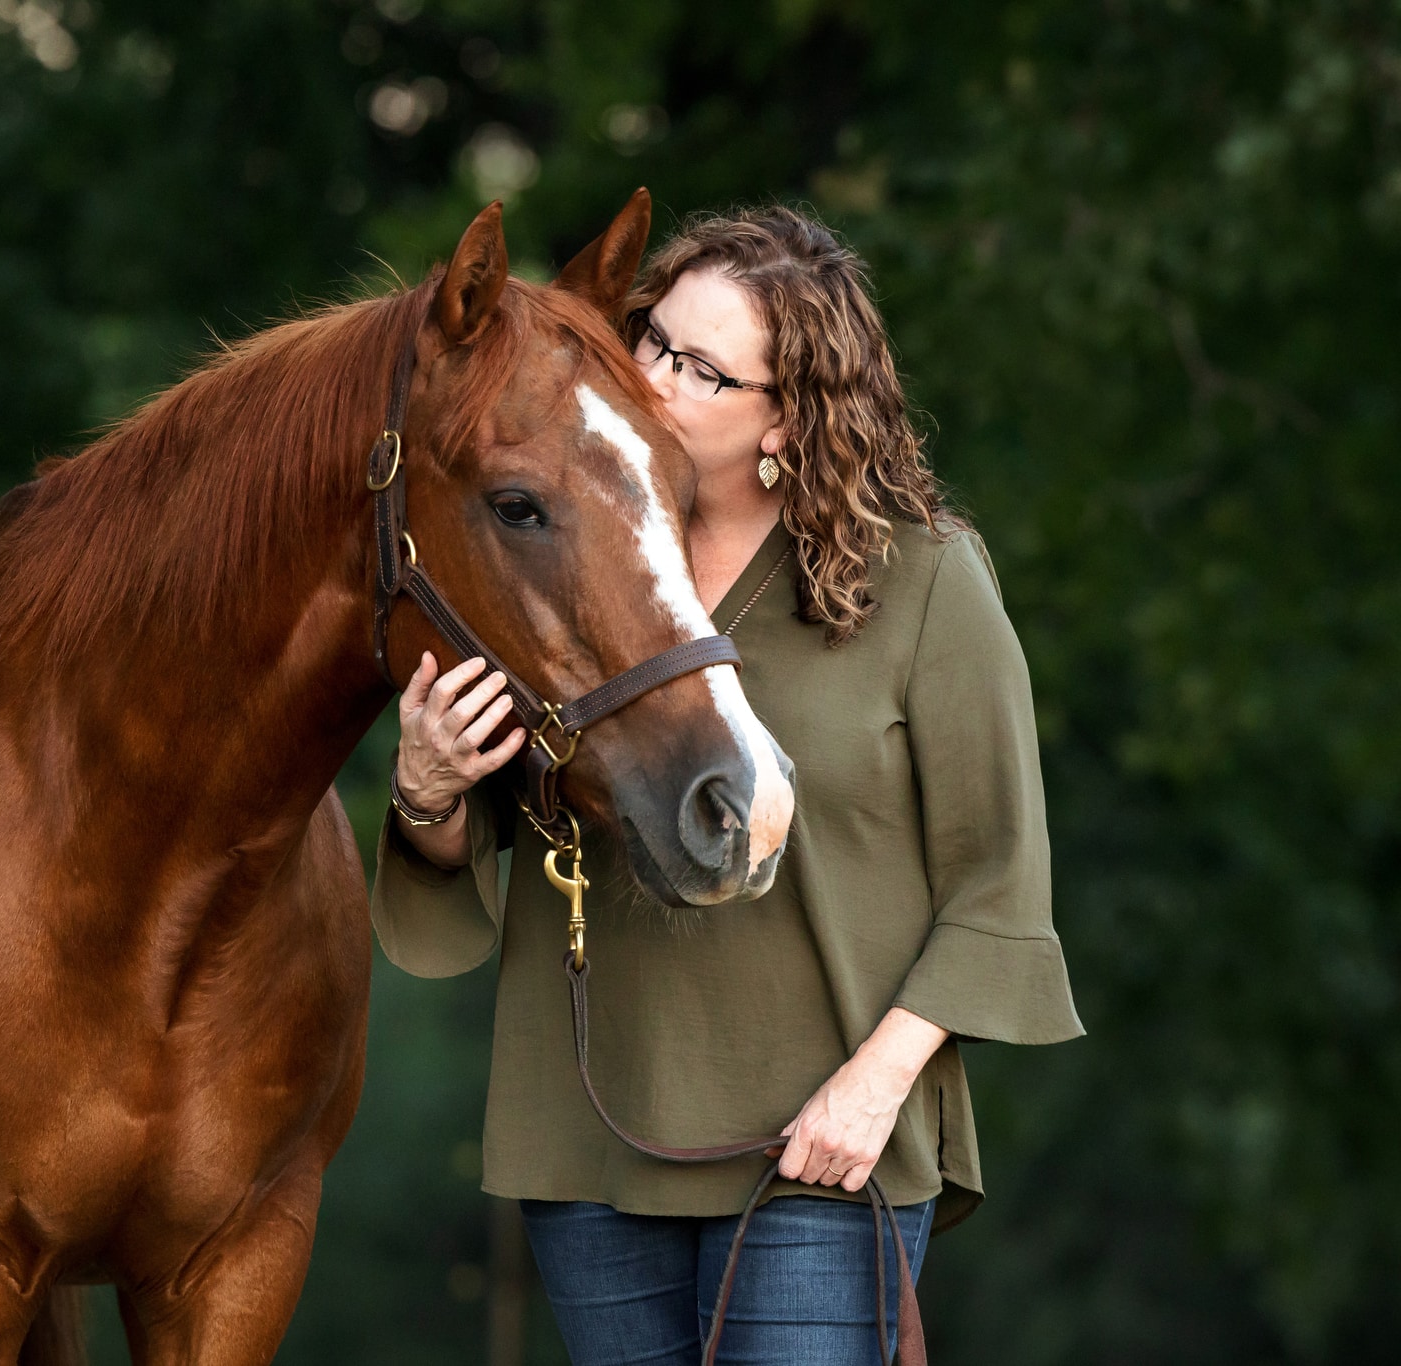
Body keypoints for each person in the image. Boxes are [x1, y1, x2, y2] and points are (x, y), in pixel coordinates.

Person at [372, 205, 1084, 1365]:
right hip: (587, 1133)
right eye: (651, 334)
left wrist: (872, 1090)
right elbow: (493, 833)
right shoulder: (567, 547)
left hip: (816, 1150)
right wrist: (426, 788)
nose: (650, 373)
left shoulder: (924, 581)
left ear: (786, 423)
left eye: (699, 367)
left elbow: (998, 888)